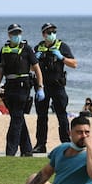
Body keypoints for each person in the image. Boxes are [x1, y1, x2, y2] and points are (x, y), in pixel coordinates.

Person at [0, 23, 45, 156]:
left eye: (19, 33)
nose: (17, 36)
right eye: (14, 34)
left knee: (16, 119)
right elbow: (0, 70)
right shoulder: (4, 50)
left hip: (23, 86)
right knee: (18, 117)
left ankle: (11, 151)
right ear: (9, 35)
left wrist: (40, 87)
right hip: (9, 86)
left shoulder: (27, 49)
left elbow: (37, 69)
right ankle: (27, 151)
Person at [32, 23, 77, 154]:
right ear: (43, 34)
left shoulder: (62, 46)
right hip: (42, 87)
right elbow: (30, 67)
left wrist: (61, 57)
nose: (51, 34)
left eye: (53, 32)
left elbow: (74, 64)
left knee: (62, 116)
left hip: (58, 86)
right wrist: (35, 60)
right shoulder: (38, 48)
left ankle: (65, 144)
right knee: (41, 117)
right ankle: (40, 144)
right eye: (49, 32)